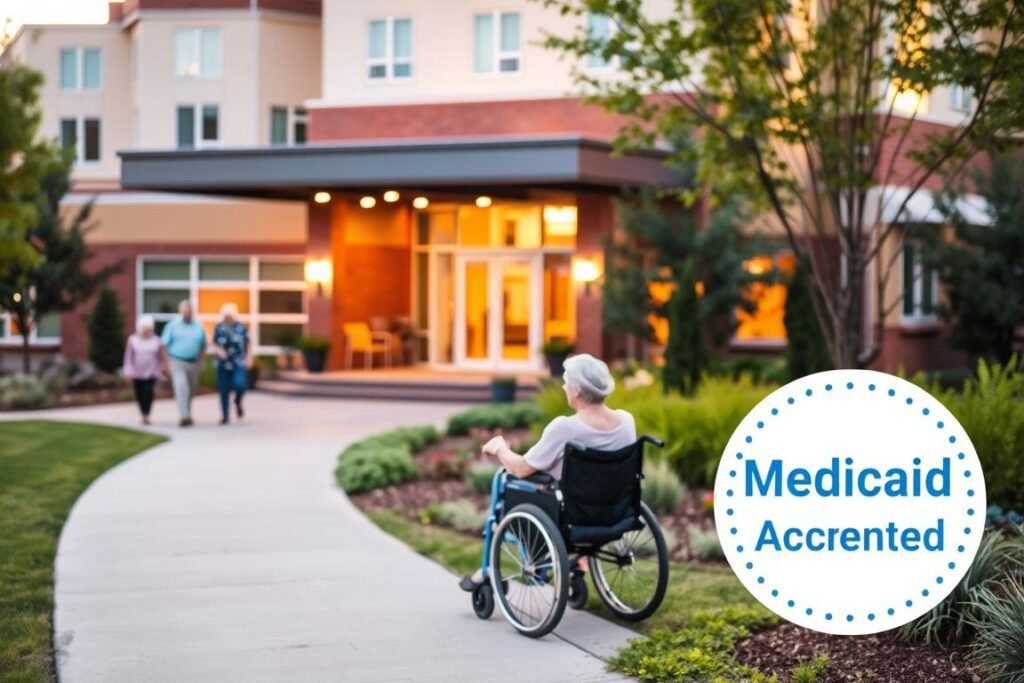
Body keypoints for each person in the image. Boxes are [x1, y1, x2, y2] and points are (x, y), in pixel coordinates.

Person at [458, 353, 636, 591]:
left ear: (578, 392)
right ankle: (578, 562)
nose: (563, 387)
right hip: (615, 513)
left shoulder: (565, 427)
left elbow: (521, 468)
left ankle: (487, 570)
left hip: (569, 515)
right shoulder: (626, 421)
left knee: (504, 478)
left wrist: (500, 448)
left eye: (566, 382)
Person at [161, 300, 207, 427]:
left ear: (192, 312)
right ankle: (184, 416)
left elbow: (203, 345)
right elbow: (164, 345)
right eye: (185, 312)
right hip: (177, 361)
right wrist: (165, 363)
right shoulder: (173, 325)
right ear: (181, 312)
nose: (187, 314)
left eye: (189, 312)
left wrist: (202, 360)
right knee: (181, 387)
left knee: (191, 390)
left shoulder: (198, 326)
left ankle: (188, 413)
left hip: (194, 362)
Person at [209, 303, 251, 425]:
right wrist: (219, 350)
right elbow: (214, 343)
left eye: (230, 315)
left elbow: (248, 342)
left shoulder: (241, 328)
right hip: (222, 363)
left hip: (238, 361)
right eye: (226, 316)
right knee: (224, 390)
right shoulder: (218, 328)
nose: (228, 318)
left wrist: (249, 358)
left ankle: (237, 401)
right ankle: (225, 416)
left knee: (240, 385)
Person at [123, 315, 162, 425]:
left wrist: (161, 369)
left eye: (148, 328)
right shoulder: (132, 340)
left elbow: (160, 357)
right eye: (144, 327)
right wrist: (128, 371)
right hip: (137, 372)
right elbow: (128, 356)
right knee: (139, 393)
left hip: (151, 372)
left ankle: (147, 414)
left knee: (149, 393)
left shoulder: (156, 340)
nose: (146, 330)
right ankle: (143, 413)